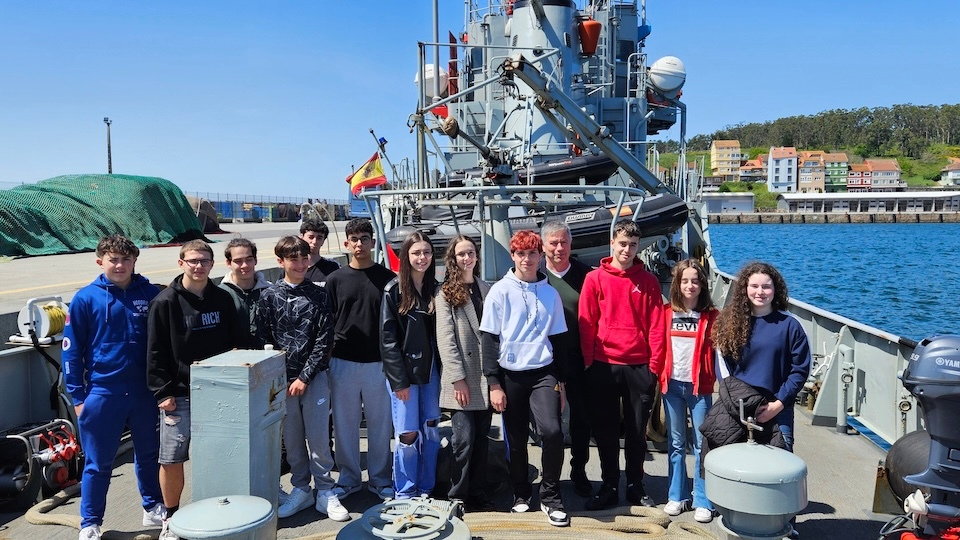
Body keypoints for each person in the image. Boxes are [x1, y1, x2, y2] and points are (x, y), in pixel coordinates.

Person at [63, 235, 165, 540]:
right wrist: (78, 397)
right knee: (98, 463)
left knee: (148, 455)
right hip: (102, 393)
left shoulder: (151, 294)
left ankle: (152, 506)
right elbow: (70, 350)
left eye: (125, 259)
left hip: (144, 392)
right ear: (100, 262)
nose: (119, 265)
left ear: (135, 261)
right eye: (113, 259)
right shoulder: (85, 298)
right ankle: (90, 522)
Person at [147, 240, 241, 539]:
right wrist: (162, 392)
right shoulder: (165, 302)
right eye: (192, 261)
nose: (198, 266)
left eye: (204, 261)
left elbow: (235, 345)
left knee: (219, 455)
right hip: (180, 394)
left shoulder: (223, 299)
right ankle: (170, 518)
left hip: (219, 392)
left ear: (212, 264)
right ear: (181, 263)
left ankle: (216, 511)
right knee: (172, 459)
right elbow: (155, 351)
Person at [479, 230, 570, 527]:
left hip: (543, 373)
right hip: (510, 376)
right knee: (516, 440)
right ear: (513, 256)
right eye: (521, 254)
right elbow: (489, 339)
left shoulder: (550, 293)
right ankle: (521, 494)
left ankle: (551, 496)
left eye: (532, 254)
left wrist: (563, 383)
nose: (527, 259)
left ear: (540, 256)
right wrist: (494, 383)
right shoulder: (500, 291)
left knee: (553, 432)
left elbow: (559, 341)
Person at [256, 236, 348, 521]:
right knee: (292, 438)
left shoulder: (319, 295)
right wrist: (281, 377)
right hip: (282, 382)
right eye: (293, 259)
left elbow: (324, 339)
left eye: (304, 257)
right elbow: (263, 338)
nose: (300, 264)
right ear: (280, 261)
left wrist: (305, 377)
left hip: (314, 378)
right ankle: (301, 488)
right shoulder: (269, 297)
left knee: (319, 437)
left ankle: (324, 490)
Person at [578, 219, 665, 511]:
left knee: (637, 432)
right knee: (605, 432)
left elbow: (656, 326)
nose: (627, 249)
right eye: (622, 243)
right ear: (612, 244)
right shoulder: (594, 279)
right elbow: (587, 322)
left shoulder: (649, 281)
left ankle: (635, 485)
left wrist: (653, 366)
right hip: (603, 365)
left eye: (633, 245)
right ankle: (610, 485)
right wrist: (589, 361)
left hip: (639, 366)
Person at [325, 218, 396, 500]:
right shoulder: (335, 280)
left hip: (379, 363)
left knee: (380, 425)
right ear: (346, 243)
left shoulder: (388, 279)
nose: (359, 244)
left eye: (364, 238)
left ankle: (380, 479)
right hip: (342, 362)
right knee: (345, 424)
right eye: (354, 239)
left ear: (372, 242)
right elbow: (327, 320)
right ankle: (349, 478)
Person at [712, 262, 812, 453]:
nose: (760, 292)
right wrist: (737, 403)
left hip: (777, 409)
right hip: (739, 407)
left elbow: (799, 369)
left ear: (775, 290)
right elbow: (723, 367)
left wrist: (778, 404)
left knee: (780, 465)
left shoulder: (790, 325)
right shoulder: (729, 324)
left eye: (766, 286)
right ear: (745, 289)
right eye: (754, 286)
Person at [435, 235, 494, 511]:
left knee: (482, 440)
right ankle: (456, 494)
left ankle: (479, 491)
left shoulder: (487, 289)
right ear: (453, 259)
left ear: (477, 256)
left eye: (470, 252)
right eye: (461, 254)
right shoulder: (446, 293)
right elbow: (445, 340)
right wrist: (457, 378)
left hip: (485, 377)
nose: (466, 258)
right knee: (463, 440)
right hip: (461, 379)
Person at [381, 232, 441, 499]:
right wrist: (399, 381)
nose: (422, 258)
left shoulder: (436, 289)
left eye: (426, 252)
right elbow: (387, 340)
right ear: (406, 256)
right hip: (404, 374)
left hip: (431, 373)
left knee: (430, 428)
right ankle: (405, 491)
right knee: (406, 433)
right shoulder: (393, 291)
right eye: (416, 253)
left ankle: (426, 486)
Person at [659, 259, 718, 523]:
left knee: (701, 444)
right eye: (684, 280)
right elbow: (658, 346)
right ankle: (677, 496)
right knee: (675, 443)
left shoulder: (712, 316)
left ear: (702, 284)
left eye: (695, 280)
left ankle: (703, 499)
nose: (690, 285)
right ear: (677, 283)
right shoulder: (665, 313)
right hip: (671, 386)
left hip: (699, 389)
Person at [539, 220, 594, 499]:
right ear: (544, 245)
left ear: (571, 244)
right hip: (546, 363)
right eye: (553, 243)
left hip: (580, 360)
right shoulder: (534, 276)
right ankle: (550, 476)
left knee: (582, 420)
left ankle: (579, 470)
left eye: (564, 242)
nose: (559, 248)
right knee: (550, 423)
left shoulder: (586, 276)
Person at [219, 238, 270, 349]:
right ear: (228, 263)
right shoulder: (219, 295)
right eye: (238, 261)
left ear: (255, 260)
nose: (244, 265)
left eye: (249, 259)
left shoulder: (270, 292)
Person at [300, 218, 340, 286]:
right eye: (311, 237)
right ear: (301, 237)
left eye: (319, 238)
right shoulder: (293, 266)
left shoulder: (332, 267)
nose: (314, 242)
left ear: (323, 241)